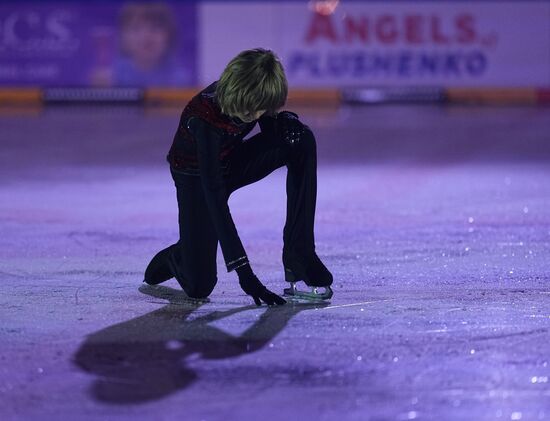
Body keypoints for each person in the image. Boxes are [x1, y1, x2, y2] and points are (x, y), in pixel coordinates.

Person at [143, 48, 333, 305]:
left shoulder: (256, 96)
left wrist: (286, 120)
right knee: (200, 286)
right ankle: (179, 256)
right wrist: (246, 276)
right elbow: (215, 196)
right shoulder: (203, 119)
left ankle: (300, 254)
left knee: (300, 139)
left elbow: (272, 130)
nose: (255, 117)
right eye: (250, 113)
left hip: (231, 161)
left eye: (261, 110)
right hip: (196, 179)